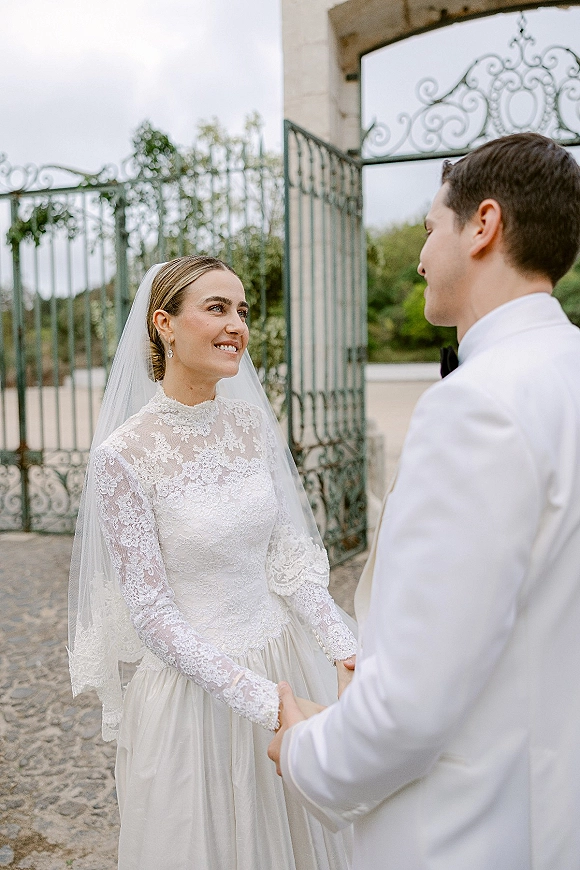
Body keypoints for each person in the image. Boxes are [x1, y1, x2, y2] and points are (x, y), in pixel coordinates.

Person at [268, 132, 580, 870]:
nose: (420, 255)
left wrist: (305, 748)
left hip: (467, 829)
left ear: (484, 225)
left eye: (432, 226)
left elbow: (410, 709)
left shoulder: (476, 406)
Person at [67, 255, 357, 870]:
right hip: (198, 697)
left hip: (284, 659)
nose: (237, 326)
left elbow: (287, 558)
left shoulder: (250, 426)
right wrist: (263, 700)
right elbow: (152, 614)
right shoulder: (123, 456)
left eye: (243, 311)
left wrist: (344, 645)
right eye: (217, 308)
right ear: (164, 324)